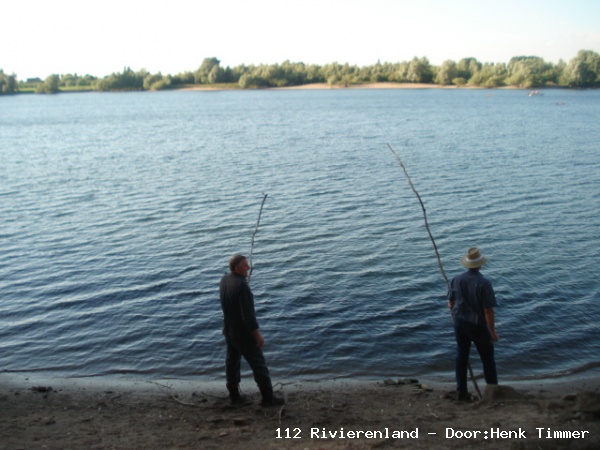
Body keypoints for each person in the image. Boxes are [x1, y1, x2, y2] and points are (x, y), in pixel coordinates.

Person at [219, 254, 284, 407]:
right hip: (243, 334)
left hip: (228, 330)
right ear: (236, 268)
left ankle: (234, 396)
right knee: (258, 365)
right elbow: (248, 316)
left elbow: (231, 301)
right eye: (245, 265)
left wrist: (243, 283)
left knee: (232, 363)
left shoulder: (225, 279)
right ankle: (268, 399)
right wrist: (257, 335)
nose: (248, 268)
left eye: (247, 264)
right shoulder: (242, 286)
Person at [447, 247, 499, 401]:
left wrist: (455, 311)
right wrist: (492, 332)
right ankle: (492, 391)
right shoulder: (484, 283)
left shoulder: (456, 279)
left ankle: (461, 392)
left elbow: (450, 304)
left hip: (460, 323)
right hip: (478, 326)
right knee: (487, 358)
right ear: (480, 265)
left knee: (461, 356)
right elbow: (488, 311)